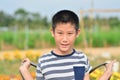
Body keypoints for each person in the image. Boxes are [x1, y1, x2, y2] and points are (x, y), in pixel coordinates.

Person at [19, 10, 116, 80]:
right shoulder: (44, 61)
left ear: (77, 33)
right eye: (60, 33)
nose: (64, 39)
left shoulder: (82, 58)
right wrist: (24, 70)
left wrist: (107, 73)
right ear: (52, 32)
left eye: (69, 34)